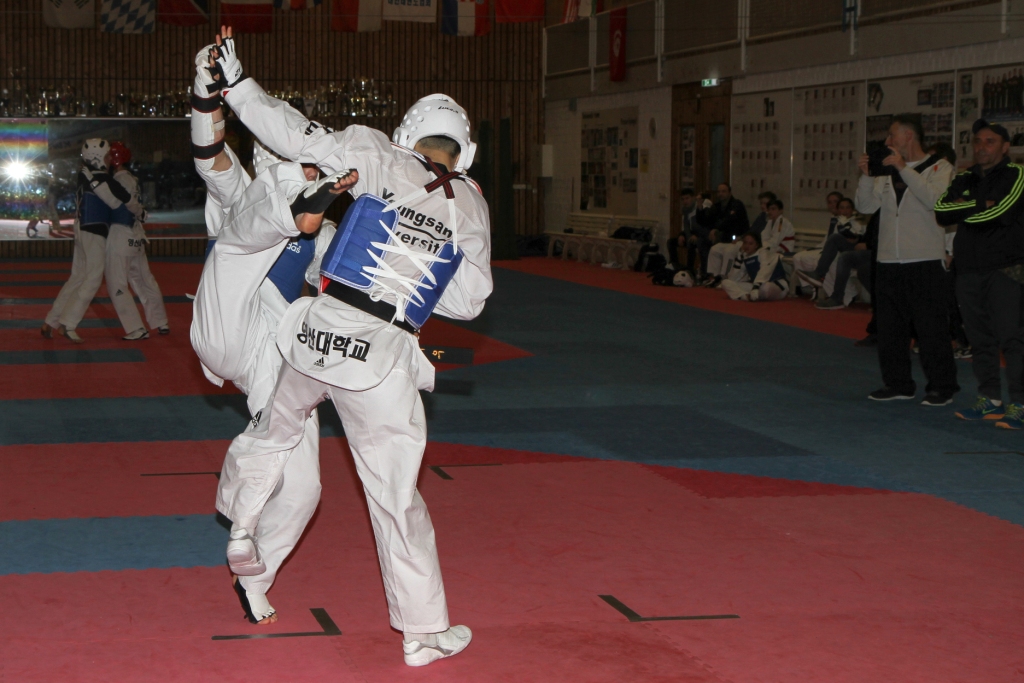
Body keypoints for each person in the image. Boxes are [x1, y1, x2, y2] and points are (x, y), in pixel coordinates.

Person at [210, 27, 491, 666]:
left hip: (316, 330)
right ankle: (422, 634)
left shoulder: (376, 152)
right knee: (395, 499)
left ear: (407, 133)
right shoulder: (471, 207)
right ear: (465, 152)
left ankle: (244, 525)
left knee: (273, 432)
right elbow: (470, 301)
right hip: (381, 358)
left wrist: (239, 87)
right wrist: (415, 268)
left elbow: (294, 133)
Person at [187, 43, 351, 627]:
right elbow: (209, 155)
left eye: (314, 165)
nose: (312, 170)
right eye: (302, 163)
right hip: (226, 319)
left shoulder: (325, 233)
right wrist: (205, 93)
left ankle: (254, 570)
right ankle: (245, 503)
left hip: (271, 352)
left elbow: (343, 289)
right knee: (238, 241)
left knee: (304, 490)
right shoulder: (241, 191)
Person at [855, 114, 958, 405]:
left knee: (930, 329)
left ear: (908, 136)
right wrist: (867, 176)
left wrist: (903, 169)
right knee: (890, 329)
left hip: (924, 259)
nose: (887, 141)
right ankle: (898, 383)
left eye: (892, 135)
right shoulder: (884, 170)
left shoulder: (940, 167)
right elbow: (865, 206)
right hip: (889, 260)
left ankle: (942, 387)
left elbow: (935, 201)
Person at [935, 119, 1024, 428]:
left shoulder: (1016, 174)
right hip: (968, 269)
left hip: (1005, 268)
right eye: (977, 141)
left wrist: (966, 208)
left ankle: (1020, 403)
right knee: (979, 338)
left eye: (989, 141)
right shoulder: (964, 176)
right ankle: (990, 399)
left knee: (1012, 338)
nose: (981, 147)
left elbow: (1001, 213)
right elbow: (941, 212)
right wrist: (979, 204)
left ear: (1005, 146)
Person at [41, 139, 114, 343]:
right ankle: (68, 323)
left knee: (77, 278)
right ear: (98, 158)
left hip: (82, 228)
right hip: (93, 230)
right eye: (107, 156)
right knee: (92, 278)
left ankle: (51, 321)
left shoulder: (85, 175)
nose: (110, 159)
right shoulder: (98, 177)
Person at [97, 141, 169, 340]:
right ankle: (160, 321)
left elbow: (129, 205)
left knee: (116, 283)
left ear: (114, 159)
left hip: (121, 234)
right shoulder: (131, 179)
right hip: (135, 236)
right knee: (144, 280)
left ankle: (136, 328)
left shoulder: (118, 181)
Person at [801, 198, 867, 309]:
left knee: (839, 249)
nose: (845, 211)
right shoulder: (838, 221)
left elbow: (855, 237)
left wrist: (851, 233)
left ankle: (836, 293)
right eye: (842, 208)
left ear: (853, 209)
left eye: (848, 208)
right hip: (846, 249)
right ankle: (819, 274)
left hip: (860, 250)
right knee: (834, 240)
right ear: (838, 210)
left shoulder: (858, 220)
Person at [697, 182, 749, 285]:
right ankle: (714, 276)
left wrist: (716, 229)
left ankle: (725, 278)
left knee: (728, 251)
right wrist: (699, 207)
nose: (721, 194)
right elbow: (705, 221)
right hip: (724, 238)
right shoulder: (717, 206)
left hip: (738, 239)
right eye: (719, 192)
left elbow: (729, 221)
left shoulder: (737, 205)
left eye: (723, 191)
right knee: (714, 249)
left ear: (729, 192)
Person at [791, 190, 844, 285]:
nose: (832, 205)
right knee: (797, 257)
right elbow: (827, 239)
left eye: (835, 201)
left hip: (835, 252)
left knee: (818, 261)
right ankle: (808, 286)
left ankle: (819, 285)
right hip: (824, 248)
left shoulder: (844, 220)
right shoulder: (833, 218)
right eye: (830, 202)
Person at [720, 231, 789, 301]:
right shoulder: (745, 256)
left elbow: (764, 271)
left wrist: (756, 287)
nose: (747, 246)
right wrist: (739, 259)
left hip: (776, 285)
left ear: (756, 245)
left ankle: (751, 295)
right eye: (745, 243)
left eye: (750, 244)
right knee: (725, 282)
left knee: (765, 288)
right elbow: (733, 279)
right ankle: (745, 297)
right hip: (756, 287)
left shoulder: (763, 252)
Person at [667, 187, 697, 271]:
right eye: (683, 199)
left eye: (687, 198)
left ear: (693, 198)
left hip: (700, 236)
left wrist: (696, 235)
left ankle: (689, 269)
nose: (685, 201)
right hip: (689, 235)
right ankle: (675, 265)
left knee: (691, 243)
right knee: (671, 242)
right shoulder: (685, 211)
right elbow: (685, 227)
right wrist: (681, 235)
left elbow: (704, 226)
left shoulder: (698, 209)